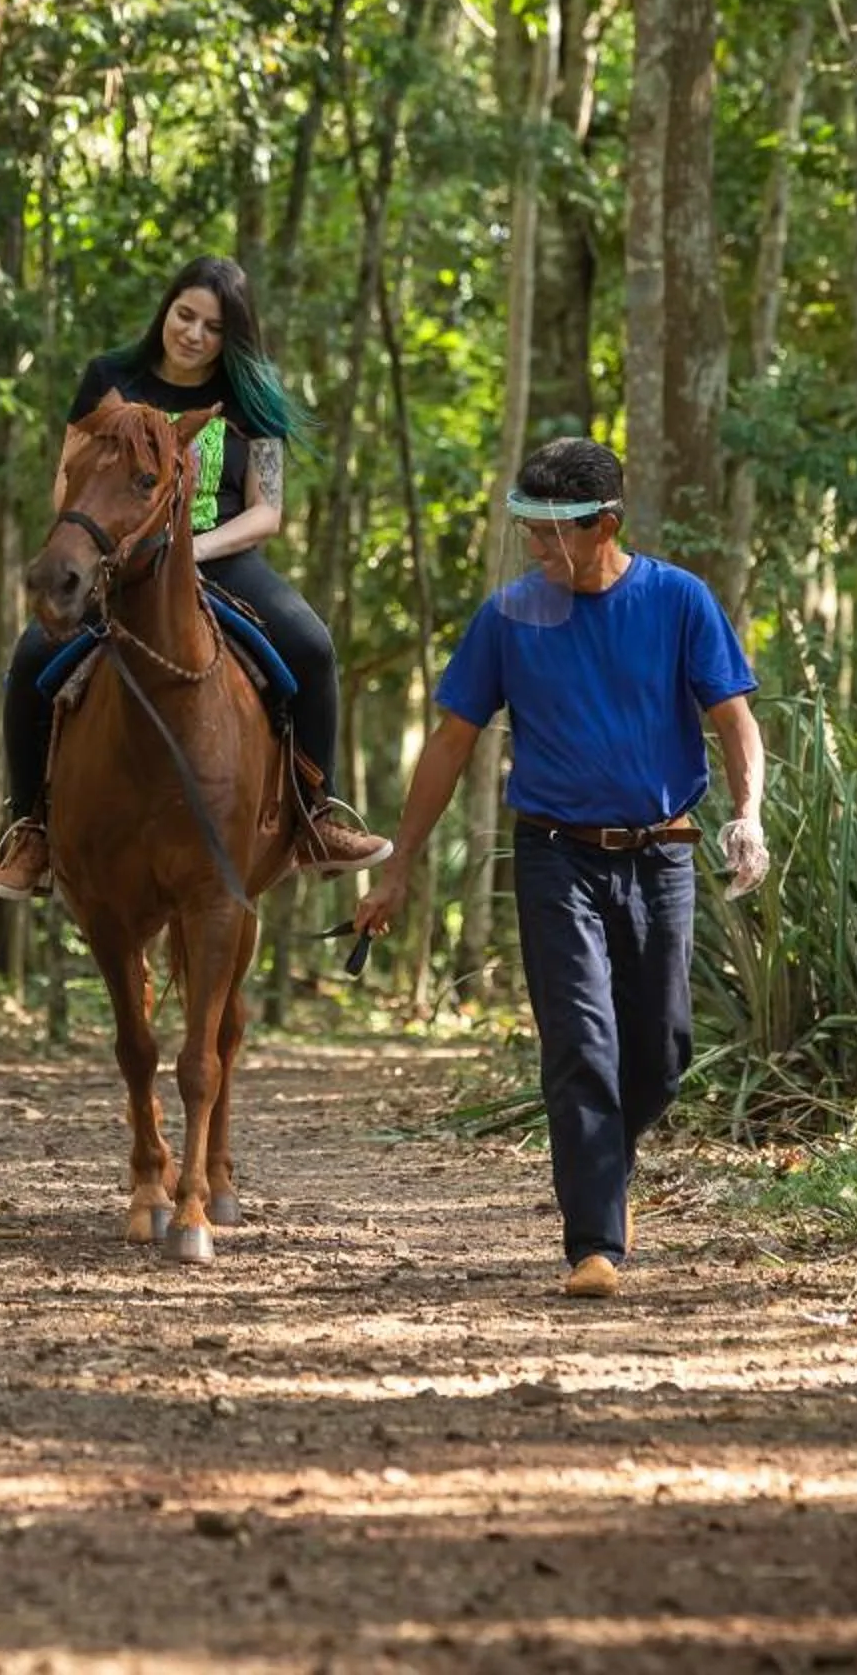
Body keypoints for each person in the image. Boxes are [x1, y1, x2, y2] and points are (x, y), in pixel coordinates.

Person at [351, 437, 768, 1299]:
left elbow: (734, 720)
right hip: (552, 856)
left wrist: (749, 814)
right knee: (582, 1044)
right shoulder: (509, 616)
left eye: (551, 533)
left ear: (605, 523)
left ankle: (603, 1175)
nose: (537, 550)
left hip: (663, 854)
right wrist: (399, 866)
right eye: (527, 531)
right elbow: (450, 744)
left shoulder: (678, 601)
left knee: (661, 1054)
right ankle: (594, 1247)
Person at [0, 256, 392, 899]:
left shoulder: (253, 397)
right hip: (118, 567)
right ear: (166, 310)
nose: (195, 334)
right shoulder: (109, 379)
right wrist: (101, 553)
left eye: (214, 327)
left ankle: (319, 813)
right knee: (32, 657)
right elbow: (70, 479)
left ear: (233, 337)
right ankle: (30, 827)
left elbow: (267, 512)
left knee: (312, 647)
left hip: (222, 560)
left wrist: (192, 551)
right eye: (186, 315)